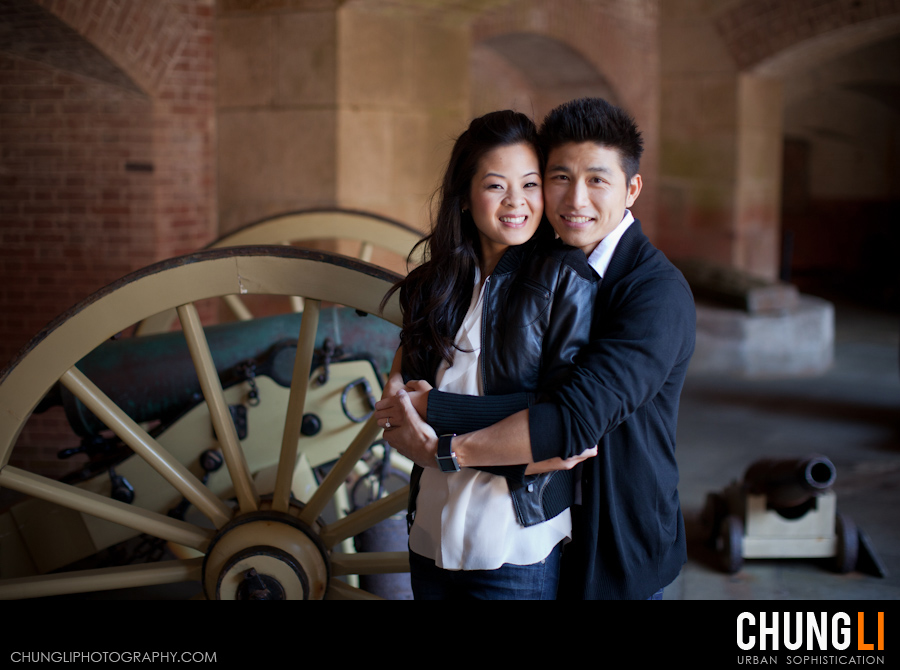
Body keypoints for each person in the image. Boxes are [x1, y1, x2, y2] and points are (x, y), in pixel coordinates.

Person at [377, 97, 696, 600]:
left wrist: (439, 433)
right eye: (559, 177)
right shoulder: (518, 268)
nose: (575, 199)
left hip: (616, 542)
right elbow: (412, 381)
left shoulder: (655, 294)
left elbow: (569, 424)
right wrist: (402, 395)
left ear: (632, 188)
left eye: (597, 180)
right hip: (536, 525)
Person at [380, 109, 599, 599]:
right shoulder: (428, 288)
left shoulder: (567, 280)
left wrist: (440, 424)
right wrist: (417, 416)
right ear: (464, 197)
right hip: (430, 533)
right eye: (497, 186)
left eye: (530, 184)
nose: (516, 202)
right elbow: (401, 414)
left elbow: (568, 434)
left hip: (517, 542)